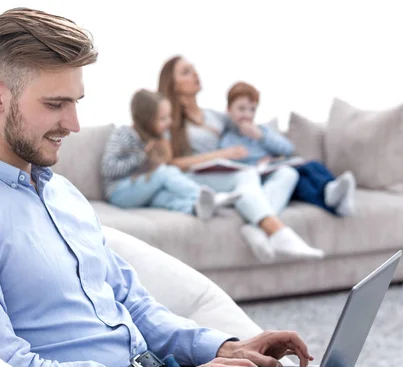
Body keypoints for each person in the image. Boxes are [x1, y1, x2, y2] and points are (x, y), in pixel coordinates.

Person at [0, 8, 403, 367]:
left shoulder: (61, 192)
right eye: (54, 105)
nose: (73, 125)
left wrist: (224, 348)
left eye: (75, 102)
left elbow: (136, 305)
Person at [158, 56, 324, 263]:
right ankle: (278, 233)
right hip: (196, 177)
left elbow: (244, 124)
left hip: (228, 172)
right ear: (172, 84)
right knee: (246, 176)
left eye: (194, 69)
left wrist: (263, 149)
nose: (195, 74)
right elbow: (168, 164)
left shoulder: (214, 116)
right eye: (186, 72)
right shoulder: (168, 120)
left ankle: (256, 228)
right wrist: (220, 155)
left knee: (287, 173)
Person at [219, 82, 356, 217]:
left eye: (252, 109)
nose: (247, 115)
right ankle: (333, 198)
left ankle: (332, 190)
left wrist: (261, 137)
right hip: (266, 177)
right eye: (241, 109)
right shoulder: (228, 140)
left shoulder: (263, 132)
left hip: (279, 166)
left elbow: (287, 148)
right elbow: (231, 168)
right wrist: (256, 164)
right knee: (298, 181)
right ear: (228, 110)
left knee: (312, 167)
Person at [101, 89, 240, 220]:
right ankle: (210, 196)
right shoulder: (124, 134)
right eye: (163, 119)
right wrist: (142, 157)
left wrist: (162, 147)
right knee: (165, 173)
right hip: (119, 192)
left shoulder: (155, 138)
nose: (169, 122)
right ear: (147, 121)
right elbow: (108, 168)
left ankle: (196, 207)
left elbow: (163, 163)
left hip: (142, 190)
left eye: (169, 117)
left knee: (163, 197)